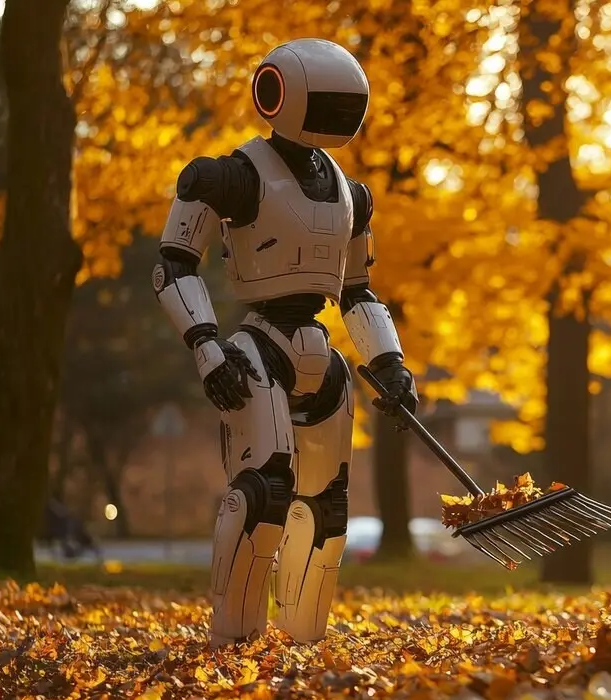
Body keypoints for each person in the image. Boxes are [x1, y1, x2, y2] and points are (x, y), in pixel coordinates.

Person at [153, 39, 420, 648]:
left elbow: (357, 290)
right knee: (263, 495)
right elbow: (173, 265)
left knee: (326, 507)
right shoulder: (233, 176)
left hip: (319, 353)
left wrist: (390, 364)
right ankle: (236, 644)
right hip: (257, 348)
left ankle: (303, 639)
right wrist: (206, 346)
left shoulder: (352, 195)